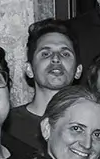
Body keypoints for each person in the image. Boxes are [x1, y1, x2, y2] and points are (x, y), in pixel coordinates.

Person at [6, 19, 80, 149]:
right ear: (29, 69)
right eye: (45, 54)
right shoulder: (6, 124)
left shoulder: (89, 123)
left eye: (65, 54)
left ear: (78, 71)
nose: (56, 59)